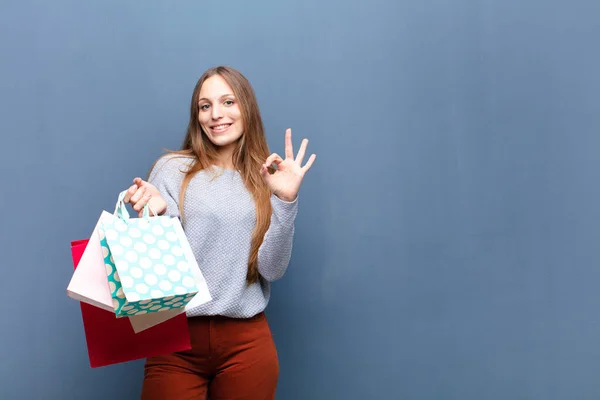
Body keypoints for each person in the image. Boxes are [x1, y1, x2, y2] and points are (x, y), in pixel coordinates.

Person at [123, 65, 316, 400]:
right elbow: (157, 273)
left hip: (246, 343)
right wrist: (156, 215)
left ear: (246, 108)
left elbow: (272, 270)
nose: (216, 115)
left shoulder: (267, 178)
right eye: (205, 105)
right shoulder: (171, 170)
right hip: (175, 340)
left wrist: (285, 201)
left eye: (228, 102)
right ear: (197, 116)